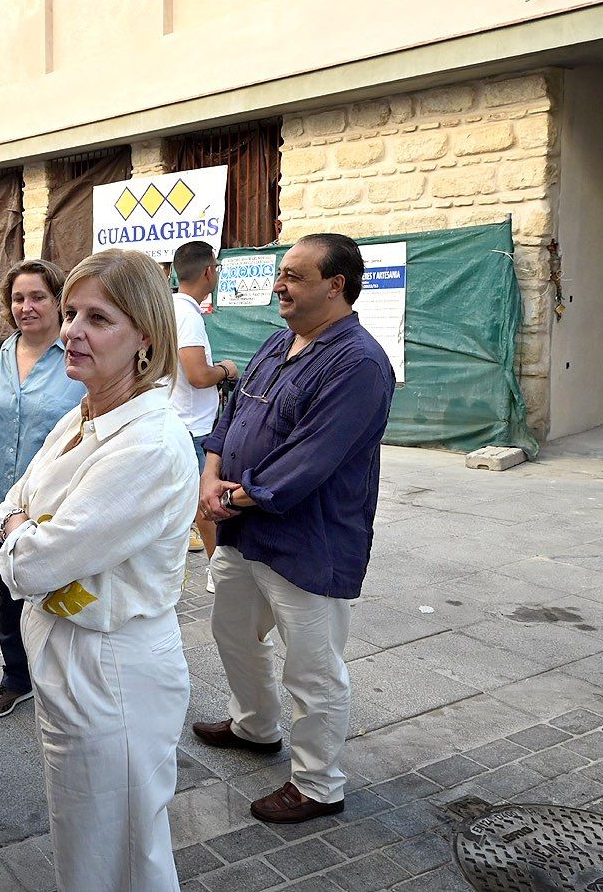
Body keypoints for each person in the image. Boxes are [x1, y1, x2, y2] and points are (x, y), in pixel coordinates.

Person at [0, 249, 198, 892]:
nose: (72, 329)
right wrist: (30, 526)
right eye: (72, 311)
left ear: (145, 338)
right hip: (68, 650)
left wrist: (29, 532)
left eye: (98, 318)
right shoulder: (83, 416)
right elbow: (10, 501)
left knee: (125, 849)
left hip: (113, 668)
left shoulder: (149, 444)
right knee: (84, 833)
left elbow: (26, 565)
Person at [194, 232, 395, 825]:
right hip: (243, 530)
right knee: (232, 632)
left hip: (309, 542)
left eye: (295, 276)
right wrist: (211, 473)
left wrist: (234, 494)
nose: (279, 285)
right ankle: (256, 726)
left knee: (312, 668)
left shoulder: (359, 363)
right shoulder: (276, 343)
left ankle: (318, 784)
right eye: (281, 274)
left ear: (337, 285)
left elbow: (311, 457)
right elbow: (229, 416)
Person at [0, 258, 84, 718]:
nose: (26, 307)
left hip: (54, 505)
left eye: (37, 297)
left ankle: (63, 677)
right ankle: (17, 677)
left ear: (58, 301)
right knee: (8, 591)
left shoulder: (77, 355)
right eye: (18, 299)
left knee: (58, 593)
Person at [170, 240, 238, 590]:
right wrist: (226, 370)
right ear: (209, 272)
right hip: (191, 425)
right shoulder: (188, 316)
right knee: (206, 502)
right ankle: (219, 569)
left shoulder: (167, 308)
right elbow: (198, 376)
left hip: (173, 418)